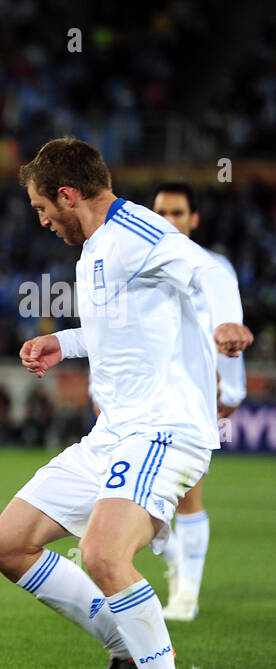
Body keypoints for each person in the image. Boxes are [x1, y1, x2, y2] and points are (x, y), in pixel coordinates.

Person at [0, 138, 252, 669]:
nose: (41, 218)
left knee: (104, 554)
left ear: (68, 194)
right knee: (9, 543)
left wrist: (227, 321)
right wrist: (65, 345)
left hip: (165, 428)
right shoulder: (96, 247)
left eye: (41, 206)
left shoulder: (136, 229)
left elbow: (210, 271)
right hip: (115, 433)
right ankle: (127, 647)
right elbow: (123, 327)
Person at [150, 182, 246, 621]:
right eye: (161, 212)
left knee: (187, 494)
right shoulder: (141, 261)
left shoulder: (212, 268)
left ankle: (186, 594)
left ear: (194, 219)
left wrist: (232, 387)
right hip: (140, 396)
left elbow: (226, 330)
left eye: (177, 213)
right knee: (134, 500)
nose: (169, 221)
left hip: (192, 394)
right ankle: (177, 565)